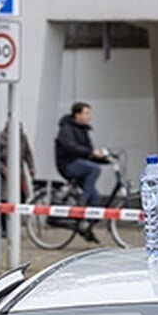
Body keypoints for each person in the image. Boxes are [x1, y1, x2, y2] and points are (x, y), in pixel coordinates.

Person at [54, 101, 110, 242]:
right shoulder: (66, 129)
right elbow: (70, 147)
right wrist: (91, 153)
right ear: (77, 114)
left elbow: (88, 153)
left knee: (95, 199)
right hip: (69, 165)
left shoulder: (83, 130)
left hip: (80, 164)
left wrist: (104, 159)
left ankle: (85, 227)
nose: (89, 117)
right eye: (86, 113)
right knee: (94, 169)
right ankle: (82, 200)